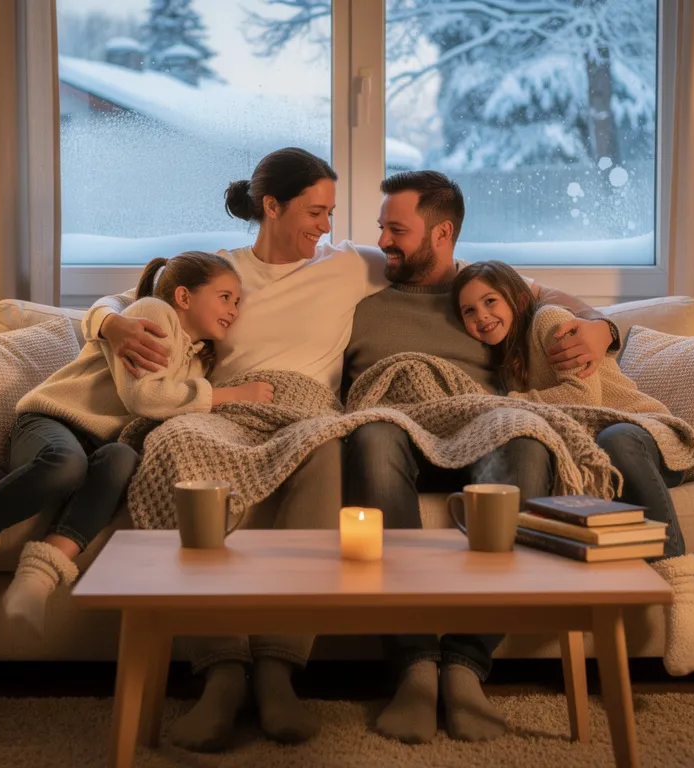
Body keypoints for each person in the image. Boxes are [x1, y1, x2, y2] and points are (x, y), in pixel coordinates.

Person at [89, 150, 609, 751]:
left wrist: (601, 325)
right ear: (271, 206)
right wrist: (108, 325)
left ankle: (297, 670)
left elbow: (526, 291)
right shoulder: (219, 271)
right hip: (228, 405)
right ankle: (224, 673)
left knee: (337, 444)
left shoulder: (352, 266)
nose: (332, 227)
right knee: (174, 445)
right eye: (317, 211)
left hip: (311, 409)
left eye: (333, 212)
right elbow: (132, 299)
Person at [341, 171, 624, 744]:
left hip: (477, 424)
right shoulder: (356, 296)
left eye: (397, 228)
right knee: (371, 436)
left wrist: (605, 328)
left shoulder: (481, 294)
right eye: (381, 227)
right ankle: (415, 667)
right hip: (395, 424)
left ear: (442, 233)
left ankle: (467, 666)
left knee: (525, 436)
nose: (383, 240)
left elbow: (558, 307)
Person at [0, 250, 255, 635]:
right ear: (185, 297)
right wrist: (233, 395)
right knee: (67, 464)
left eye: (238, 301)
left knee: (122, 459)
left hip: (99, 445)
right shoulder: (153, 315)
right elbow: (144, 398)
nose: (234, 310)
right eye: (225, 297)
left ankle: (38, 576)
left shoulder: (199, 360)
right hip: (49, 421)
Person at [451, 259, 694, 677]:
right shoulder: (501, 357)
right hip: (600, 453)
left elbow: (583, 399)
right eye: (469, 311)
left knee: (615, 440)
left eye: (490, 301)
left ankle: (682, 598)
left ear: (516, 300)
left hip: (642, 434)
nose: (482, 317)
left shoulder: (550, 322)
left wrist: (508, 404)